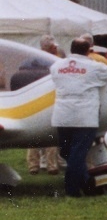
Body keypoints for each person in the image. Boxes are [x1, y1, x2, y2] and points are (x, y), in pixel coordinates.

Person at [51, 37, 107, 197]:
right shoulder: (94, 67)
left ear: (72, 49)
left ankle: (82, 185)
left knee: (68, 152)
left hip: (63, 114)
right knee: (76, 154)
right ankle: (79, 187)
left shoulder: (56, 66)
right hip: (84, 116)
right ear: (89, 50)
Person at [26, 36, 64, 176]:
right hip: (46, 101)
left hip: (34, 101)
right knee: (50, 133)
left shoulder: (30, 60)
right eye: (53, 47)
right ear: (47, 47)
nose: (55, 49)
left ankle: (35, 165)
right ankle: (50, 164)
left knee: (33, 134)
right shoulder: (51, 62)